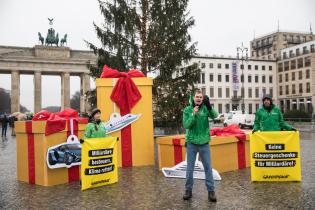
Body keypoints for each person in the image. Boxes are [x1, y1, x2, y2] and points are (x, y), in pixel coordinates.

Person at [182, 90, 218, 202]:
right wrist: (193, 114)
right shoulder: (187, 110)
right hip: (192, 143)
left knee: (208, 167)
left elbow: (215, 117)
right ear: (193, 98)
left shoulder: (206, 108)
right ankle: (188, 190)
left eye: (200, 97)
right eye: (197, 97)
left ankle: (211, 191)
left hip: (204, 143)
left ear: (203, 99)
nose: (198, 99)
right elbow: (186, 125)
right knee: (190, 168)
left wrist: (209, 106)